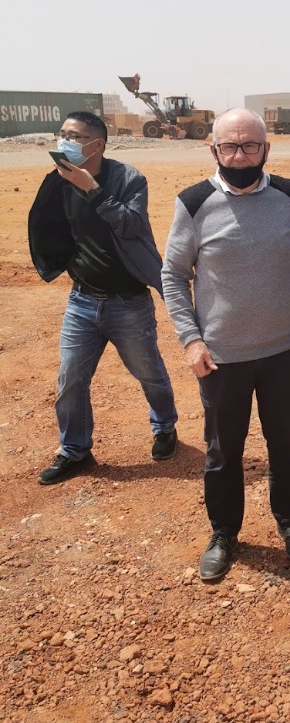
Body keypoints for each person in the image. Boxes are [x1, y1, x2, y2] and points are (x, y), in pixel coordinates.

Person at [161, 108, 290, 580]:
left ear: (266, 149)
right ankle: (224, 534)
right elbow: (174, 276)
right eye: (229, 147)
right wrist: (191, 341)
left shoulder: (287, 194)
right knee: (223, 452)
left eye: (250, 146)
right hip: (223, 359)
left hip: (286, 353)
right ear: (212, 150)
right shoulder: (193, 203)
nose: (240, 156)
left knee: (287, 447)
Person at [29, 111, 178, 486]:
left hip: (128, 301)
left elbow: (130, 223)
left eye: (74, 136)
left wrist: (91, 188)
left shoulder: (128, 179)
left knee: (149, 373)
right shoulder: (60, 180)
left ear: (97, 144)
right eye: (62, 133)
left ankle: (164, 427)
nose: (65, 141)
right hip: (81, 301)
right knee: (70, 379)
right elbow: (53, 226)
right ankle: (74, 449)